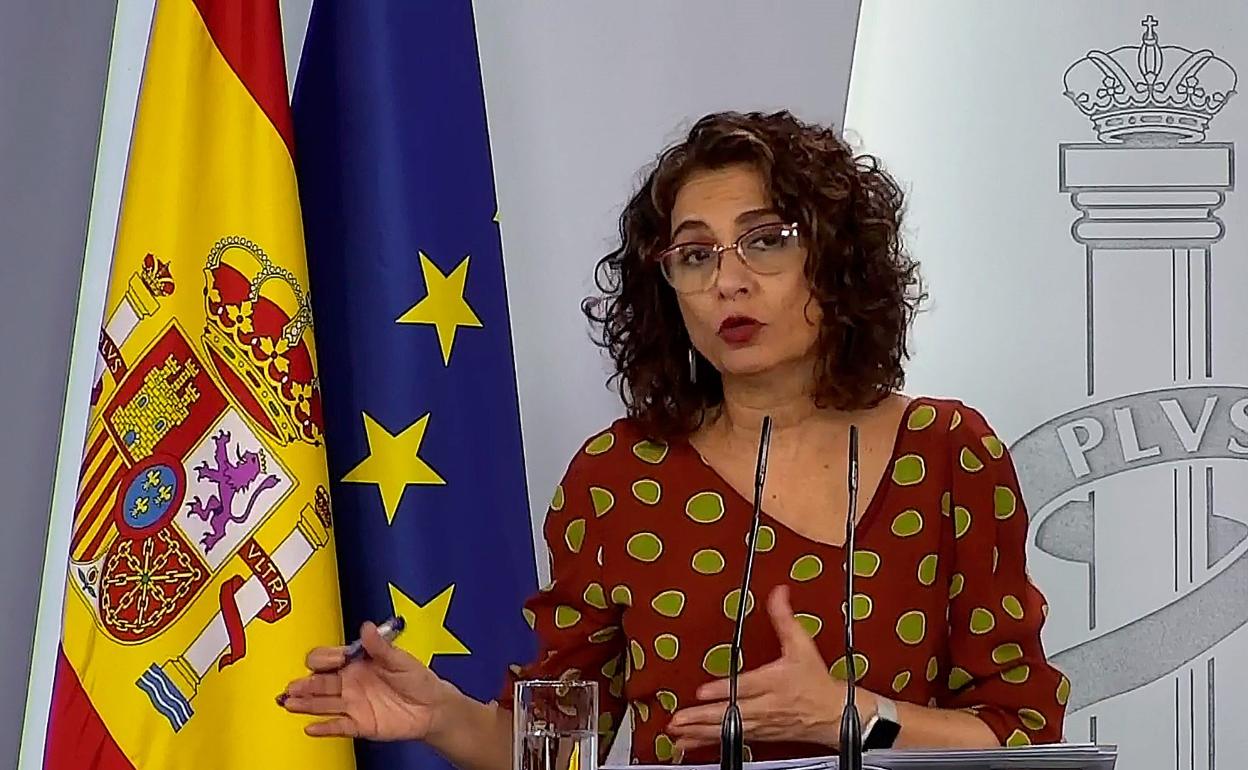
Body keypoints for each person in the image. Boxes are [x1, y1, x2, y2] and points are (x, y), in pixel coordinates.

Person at [280, 110, 1070, 767]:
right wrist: (438, 716)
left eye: (766, 240)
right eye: (694, 255)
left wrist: (855, 720)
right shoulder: (618, 476)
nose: (728, 280)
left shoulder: (947, 452)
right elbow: (557, 747)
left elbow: (1022, 734)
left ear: (837, 261)